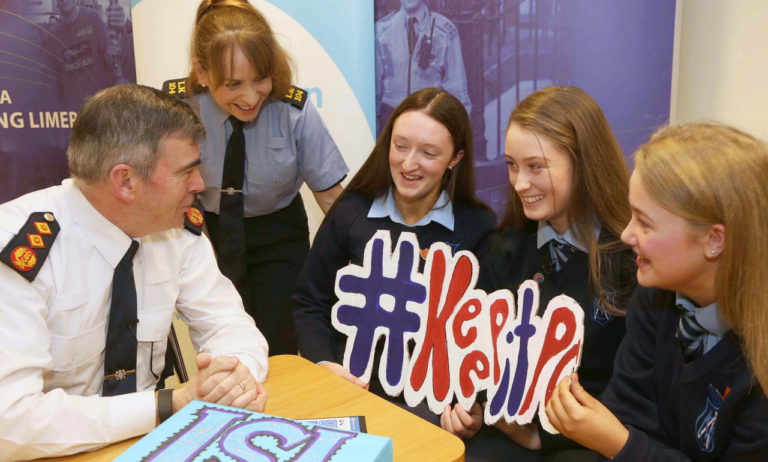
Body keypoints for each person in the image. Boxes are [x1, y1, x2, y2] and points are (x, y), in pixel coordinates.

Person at [0, 84, 269, 461]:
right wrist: (168, 404)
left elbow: (230, 324)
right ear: (125, 181)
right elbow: (10, 421)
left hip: (152, 444)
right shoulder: (19, 250)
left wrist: (232, 376)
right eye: (187, 171)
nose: (200, 185)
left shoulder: (176, 230)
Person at [545, 122, 768, 460]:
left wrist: (620, 443)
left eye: (644, 223)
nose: (625, 235)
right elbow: (628, 412)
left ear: (713, 240)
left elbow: (624, 436)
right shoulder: (656, 295)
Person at [441, 86, 637, 461]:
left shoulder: (631, 261)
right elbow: (473, 348)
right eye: (512, 165)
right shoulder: (506, 246)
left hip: (585, 445)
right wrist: (470, 407)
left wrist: (541, 440)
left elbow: (635, 391)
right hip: (502, 431)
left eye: (536, 166)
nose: (519, 183)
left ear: (584, 163)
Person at [292, 87, 495, 423]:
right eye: (400, 146)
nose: (409, 163)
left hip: (429, 402)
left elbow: (479, 335)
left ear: (455, 158)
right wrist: (323, 365)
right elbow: (309, 301)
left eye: (429, 153)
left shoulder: (478, 227)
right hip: (347, 386)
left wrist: (462, 407)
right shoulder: (351, 211)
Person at [187, 0, 349, 356]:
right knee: (221, 352)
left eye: (260, 78)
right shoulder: (180, 110)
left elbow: (332, 199)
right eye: (233, 84)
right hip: (206, 236)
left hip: (279, 238)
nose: (249, 97)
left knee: (281, 351)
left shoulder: (293, 110)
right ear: (201, 72)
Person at [376, 0, 472, 132]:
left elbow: (457, 89)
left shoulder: (445, 31)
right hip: (391, 122)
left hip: (429, 121)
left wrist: (461, 133)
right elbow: (374, 91)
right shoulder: (381, 32)